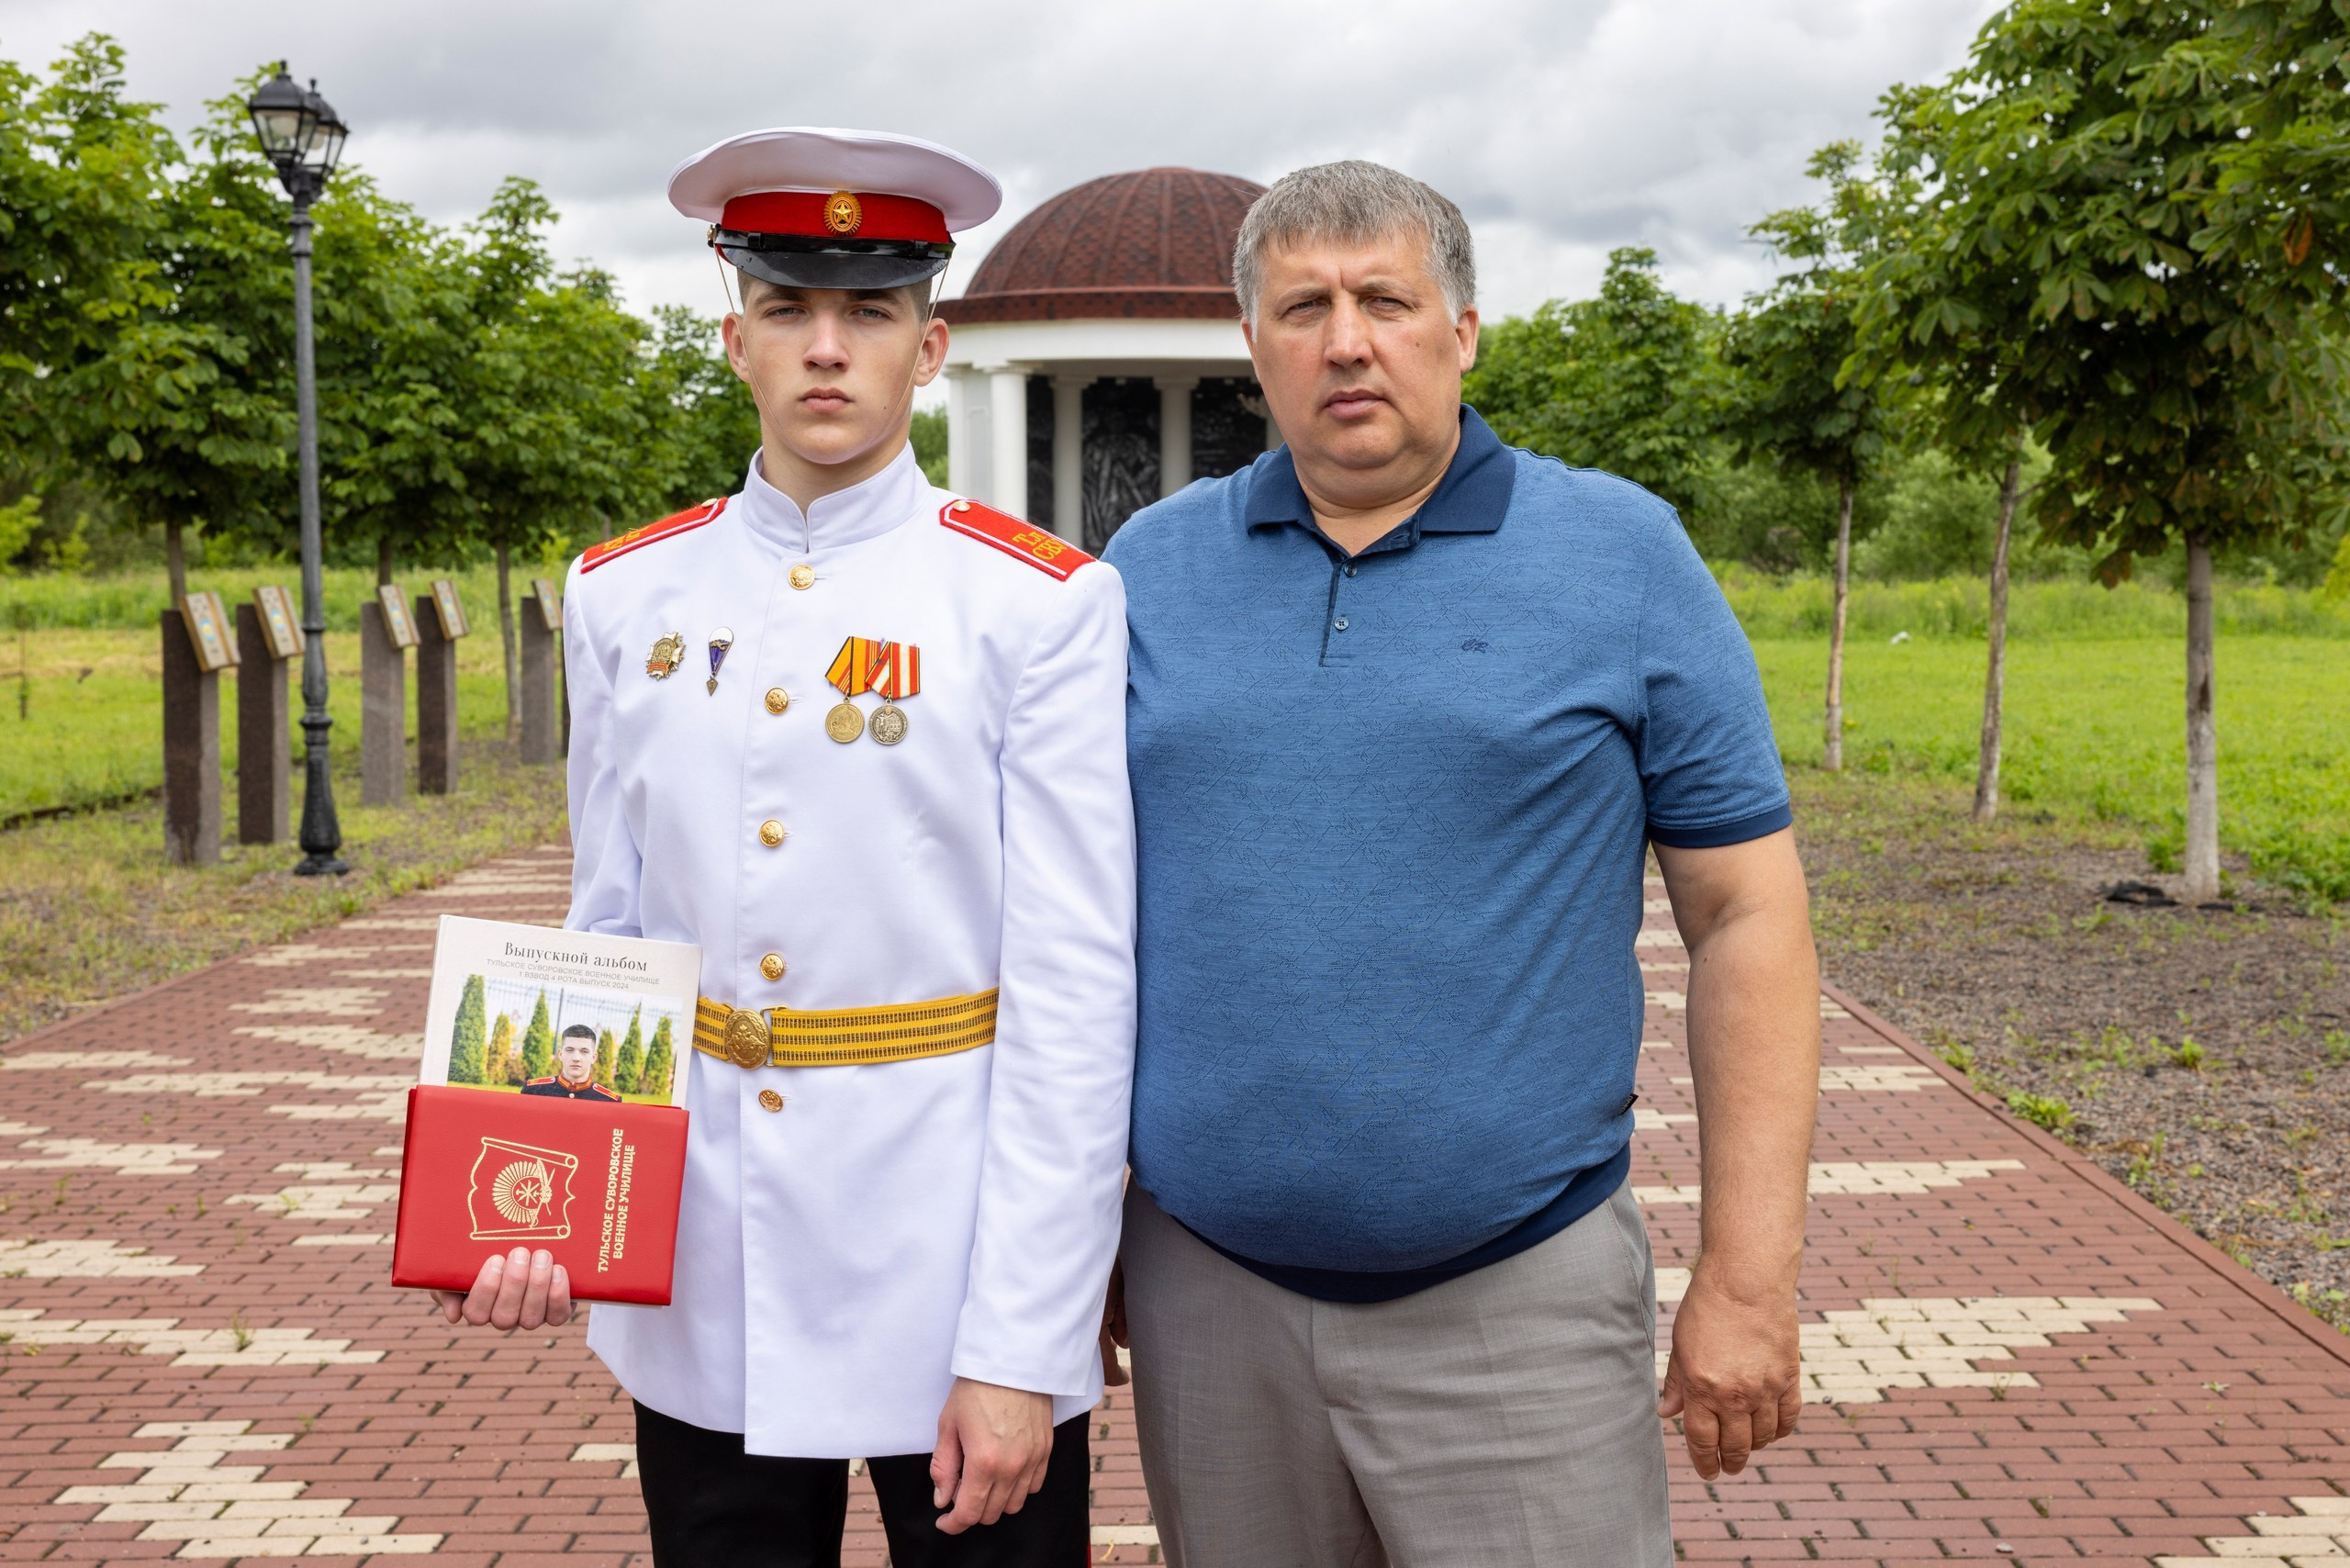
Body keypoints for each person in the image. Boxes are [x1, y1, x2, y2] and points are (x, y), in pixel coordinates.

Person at [426, 127, 1137, 1568]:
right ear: (734, 336)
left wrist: (1025, 1336)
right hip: (703, 1264)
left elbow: (1075, 1000)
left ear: (928, 348)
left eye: (868, 314)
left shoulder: (1035, 606)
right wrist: (540, 1200)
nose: (827, 348)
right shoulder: (628, 591)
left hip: (946, 1266)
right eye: (786, 310)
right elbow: (608, 926)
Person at [1100, 161, 1821, 1566]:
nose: (1347, 340)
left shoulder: (1621, 554)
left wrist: (1750, 1275)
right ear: (1253, 346)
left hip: (1517, 1305)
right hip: (1209, 1302)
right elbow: (1079, 921)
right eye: (1302, 307)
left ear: (1465, 327)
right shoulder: (1147, 570)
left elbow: (1745, 913)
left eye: (1386, 299)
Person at [521, 1023, 621, 1101]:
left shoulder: (608, 1100)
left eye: (584, 1051)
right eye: (570, 1050)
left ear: (594, 1057)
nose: (576, 1058)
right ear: (560, 1054)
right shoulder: (534, 1091)